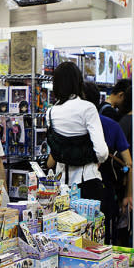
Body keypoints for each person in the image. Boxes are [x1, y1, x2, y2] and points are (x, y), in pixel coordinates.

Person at [46, 62, 108, 202]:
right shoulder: (88, 108)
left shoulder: (50, 113)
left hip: (61, 186)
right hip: (88, 181)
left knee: (65, 223)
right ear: (78, 81)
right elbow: (102, 152)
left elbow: (55, 150)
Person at [83, 82, 133, 245]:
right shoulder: (111, 125)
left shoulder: (76, 125)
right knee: (105, 237)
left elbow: (51, 161)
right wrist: (128, 195)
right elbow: (129, 163)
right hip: (107, 190)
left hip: (80, 190)